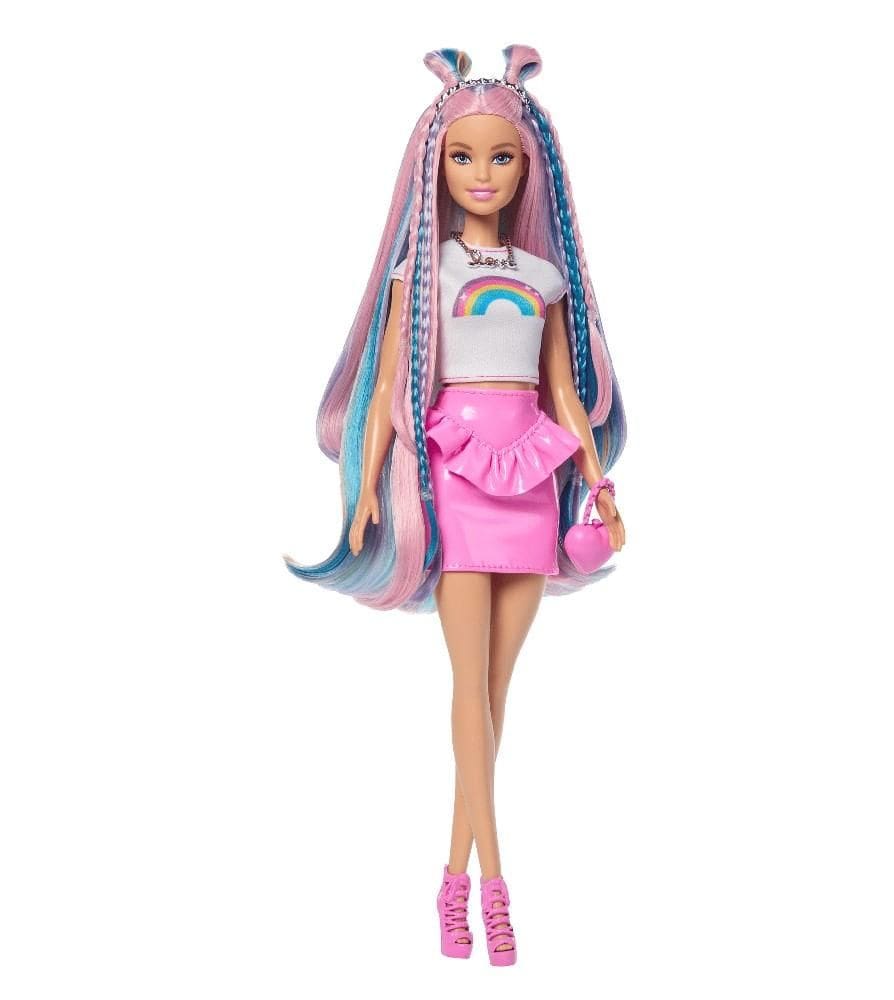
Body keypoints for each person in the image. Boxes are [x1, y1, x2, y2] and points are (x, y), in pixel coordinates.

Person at [283, 44, 627, 966]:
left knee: (496, 691)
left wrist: (598, 483)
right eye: (464, 156)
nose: (482, 173)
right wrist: (365, 488)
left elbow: (563, 393)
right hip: (459, 476)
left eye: (501, 156)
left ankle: (450, 877)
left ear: (528, 166)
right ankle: (496, 888)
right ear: (434, 162)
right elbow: (389, 391)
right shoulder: (420, 273)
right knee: (466, 686)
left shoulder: (546, 279)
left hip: (533, 478)